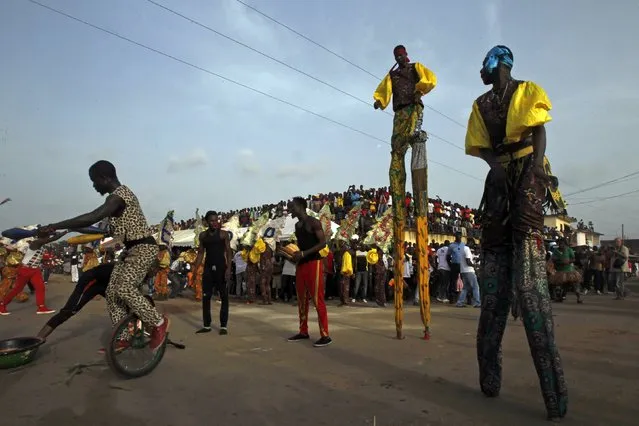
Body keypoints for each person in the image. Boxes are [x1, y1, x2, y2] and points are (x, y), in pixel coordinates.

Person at [465, 46, 567, 420]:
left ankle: (554, 395)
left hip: (526, 176)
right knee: (492, 297)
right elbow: (485, 151)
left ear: (498, 64)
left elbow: (538, 131)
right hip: (497, 185)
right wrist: (495, 168)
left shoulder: (526, 91)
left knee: (530, 289)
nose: (482, 70)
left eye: (485, 64)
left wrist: (536, 167)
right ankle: (489, 379)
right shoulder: (481, 104)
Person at [37, 160, 169, 352]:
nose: (93, 186)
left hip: (142, 248)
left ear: (104, 178)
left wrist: (55, 225)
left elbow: (92, 216)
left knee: (124, 288)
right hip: (129, 251)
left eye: (94, 181)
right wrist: (63, 228)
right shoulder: (113, 203)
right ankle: (123, 338)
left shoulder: (119, 196)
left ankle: (158, 323)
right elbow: (91, 226)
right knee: (112, 293)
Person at [280, 197, 332, 347]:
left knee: (317, 299)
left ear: (301, 207)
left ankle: (325, 335)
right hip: (301, 265)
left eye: (292, 207)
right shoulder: (297, 226)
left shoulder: (313, 222)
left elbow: (323, 243)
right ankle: (303, 331)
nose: (290, 210)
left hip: (313, 264)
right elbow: (301, 246)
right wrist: (290, 254)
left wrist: (303, 254)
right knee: (301, 300)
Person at [37, 262, 115, 339]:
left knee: (122, 307)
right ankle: (39, 338)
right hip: (91, 281)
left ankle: (122, 337)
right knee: (69, 311)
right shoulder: (117, 267)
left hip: (108, 284)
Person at [0, 232, 66, 315]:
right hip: (25, 269)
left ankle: (41, 307)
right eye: (47, 236)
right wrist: (65, 232)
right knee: (17, 289)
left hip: (35, 270)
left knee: (40, 287)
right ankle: (2, 305)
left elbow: (39, 256)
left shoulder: (41, 245)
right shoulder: (35, 242)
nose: (48, 238)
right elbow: (52, 239)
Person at [193, 211, 232, 335]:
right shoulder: (203, 236)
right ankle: (206, 325)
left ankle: (223, 326)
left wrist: (229, 268)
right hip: (208, 268)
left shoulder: (223, 234)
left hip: (221, 267)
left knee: (224, 296)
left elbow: (229, 251)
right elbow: (200, 253)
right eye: (212, 221)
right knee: (206, 297)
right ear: (206, 222)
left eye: (216, 220)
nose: (215, 223)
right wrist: (195, 269)